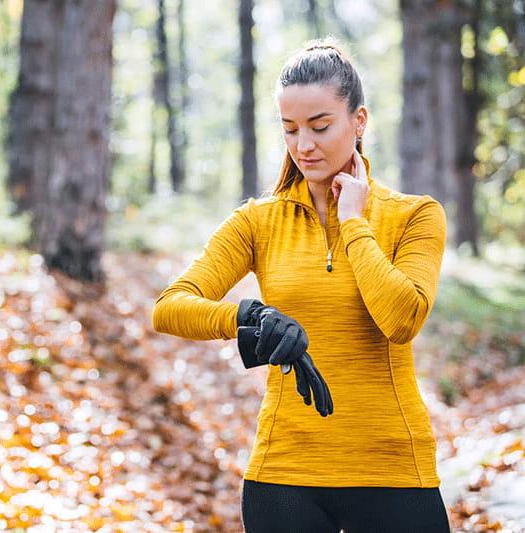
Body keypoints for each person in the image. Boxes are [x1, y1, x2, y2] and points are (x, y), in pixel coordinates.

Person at [151, 38, 452, 533]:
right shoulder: (258, 221)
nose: (303, 146)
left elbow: (402, 319)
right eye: (289, 129)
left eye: (320, 126)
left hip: (392, 469)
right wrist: (249, 318)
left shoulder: (414, 215)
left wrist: (354, 223)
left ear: (359, 121)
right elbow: (170, 307)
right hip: (284, 475)